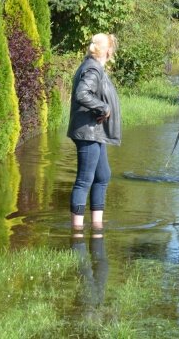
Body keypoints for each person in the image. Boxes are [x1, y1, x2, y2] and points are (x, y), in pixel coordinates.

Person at [67, 33, 121, 236]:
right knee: (84, 180)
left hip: (95, 131)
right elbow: (82, 93)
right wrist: (103, 108)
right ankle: (77, 231)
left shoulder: (93, 66)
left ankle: (97, 226)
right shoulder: (92, 68)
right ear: (107, 50)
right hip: (88, 131)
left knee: (102, 175)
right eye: (111, 48)